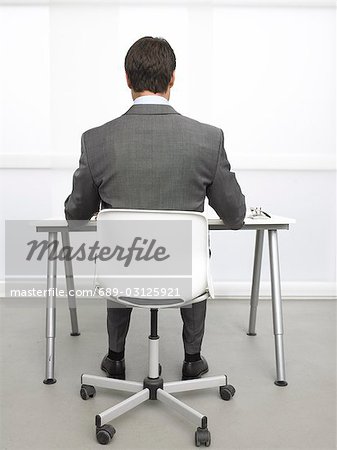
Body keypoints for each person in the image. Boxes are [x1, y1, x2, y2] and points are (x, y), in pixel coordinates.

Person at [64, 36, 246, 381]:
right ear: (172, 78)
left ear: (127, 78)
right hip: (184, 277)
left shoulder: (96, 139)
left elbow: (76, 214)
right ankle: (193, 359)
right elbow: (235, 216)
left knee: (119, 252)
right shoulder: (208, 139)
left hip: (123, 274)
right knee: (193, 254)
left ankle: (115, 357)